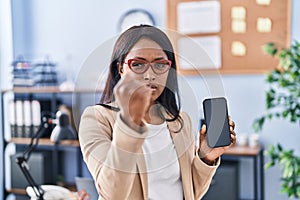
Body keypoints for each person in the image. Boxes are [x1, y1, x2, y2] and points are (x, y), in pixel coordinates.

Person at [78, 25, 236, 200]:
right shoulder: (96, 118)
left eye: (160, 64)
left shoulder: (180, 121)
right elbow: (113, 193)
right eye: (138, 64)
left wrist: (206, 157)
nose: (150, 75)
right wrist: (130, 123)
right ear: (121, 68)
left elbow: (191, 194)